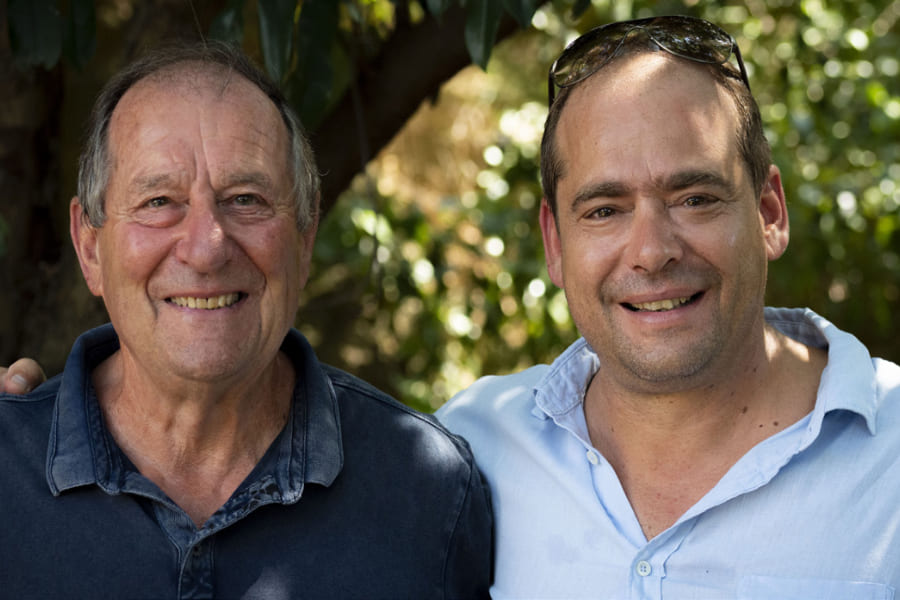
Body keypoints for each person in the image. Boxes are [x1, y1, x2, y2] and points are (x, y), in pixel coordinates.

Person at [0, 42, 492, 598]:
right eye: (159, 200)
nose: (206, 247)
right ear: (90, 248)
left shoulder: (429, 495)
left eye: (247, 199)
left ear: (304, 243)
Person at [436, 16, 900, 598]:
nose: (652, 252)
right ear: (555, 245)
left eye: (695, 198)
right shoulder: (470, 448)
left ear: (769, 215)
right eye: (604, 209)